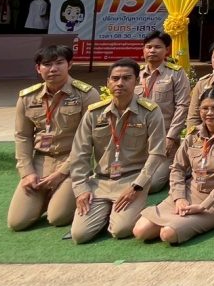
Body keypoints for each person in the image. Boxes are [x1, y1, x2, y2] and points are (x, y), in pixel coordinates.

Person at [134, 86, 214, 244]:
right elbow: (177, 168)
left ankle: (179, 223)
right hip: (189, 193)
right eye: (205, 108)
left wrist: (204, 206)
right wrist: (179, 198)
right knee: (140, 230)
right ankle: (176, 217)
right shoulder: (194, 133)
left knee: (168, 234)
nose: (209, 113)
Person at [69, 59, 166, 244]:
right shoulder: (94, 113)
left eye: (126, 78)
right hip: (100, 182)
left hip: (132, 180)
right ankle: (106, 213)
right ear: (108, 82)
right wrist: (81, 189)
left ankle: (122, 212)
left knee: (121, 230)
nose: (120, 83)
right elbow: (79, 153)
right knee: (79, 235)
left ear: (137, 81)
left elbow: (157, 153)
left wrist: (137, 186)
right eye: (115, 79)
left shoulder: (150, 112)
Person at [8, 44, 100, 231]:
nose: (53, 69)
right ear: (38, 68)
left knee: (57, 217)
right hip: (41, 161)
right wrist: (27, 173)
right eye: (47, 64)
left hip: (74, 162)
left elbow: (88, 139)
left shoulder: (86, 94)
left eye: (59, 63)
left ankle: (74, 190)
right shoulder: (27, 98)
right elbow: (23, 136)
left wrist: (62, 172)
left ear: (70, 64)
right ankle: (48, 197)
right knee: (17, 223)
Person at [137, 30, 191, 193]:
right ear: (143, 50)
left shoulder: (176, 73)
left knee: (151, 184)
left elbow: (182, 106)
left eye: (157, 47)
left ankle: (181, 166)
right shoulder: (135, 74)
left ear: (167, 50)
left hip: (164, 140)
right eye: (149, 47)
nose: (152, 50)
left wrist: (171, 137)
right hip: (138, 139)